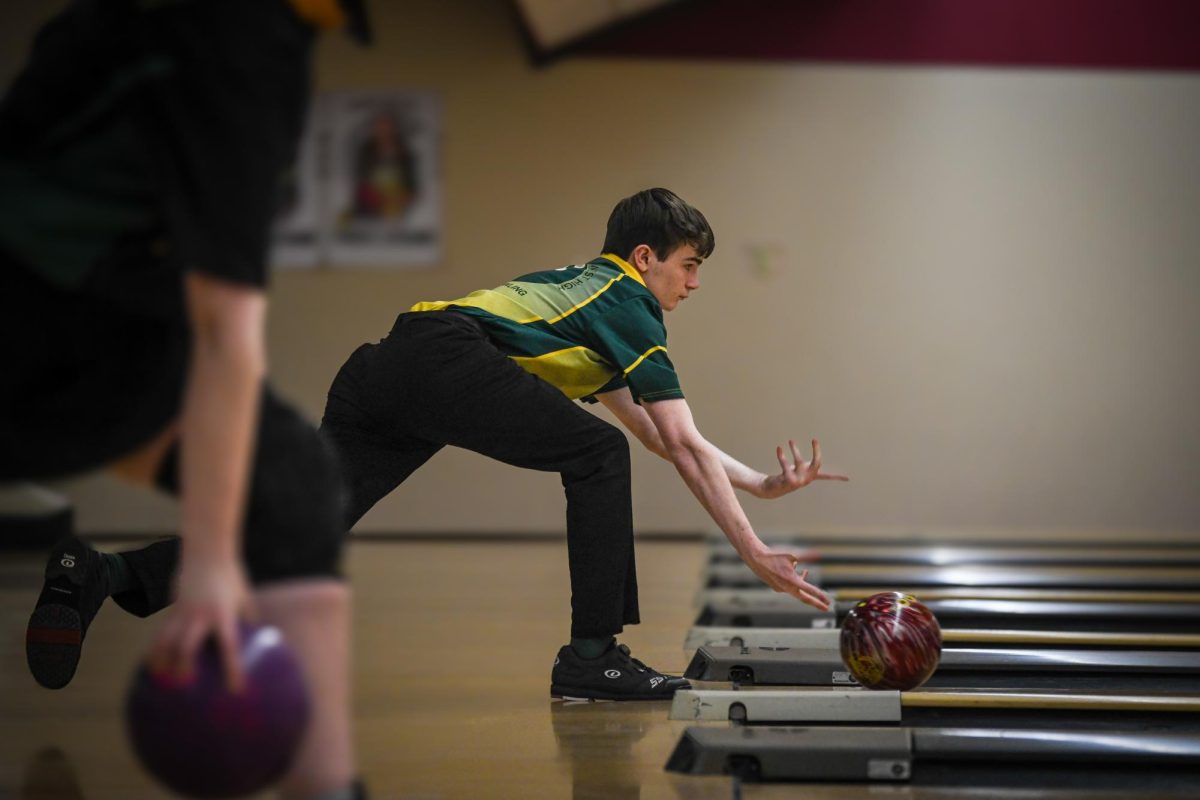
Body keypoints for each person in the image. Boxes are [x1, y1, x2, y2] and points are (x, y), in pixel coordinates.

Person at [22, 188, 846, 703]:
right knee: (594, 458)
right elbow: (669, 439)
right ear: (645, 258)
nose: (694, 283)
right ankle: (593, 656)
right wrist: (756, 551)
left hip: (390, 369)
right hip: (444, 356)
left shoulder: (585, 304)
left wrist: (760, 489)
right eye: (690, 265)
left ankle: (105, 574)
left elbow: (673, 436)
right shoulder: (627, 298)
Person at [2, 1, 370, 797]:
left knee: (293, 481)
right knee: (291, 483)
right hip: (44, 328)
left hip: (100, 325)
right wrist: (207, 565)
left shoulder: (258, 32)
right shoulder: (239, 39)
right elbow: (222, 327)